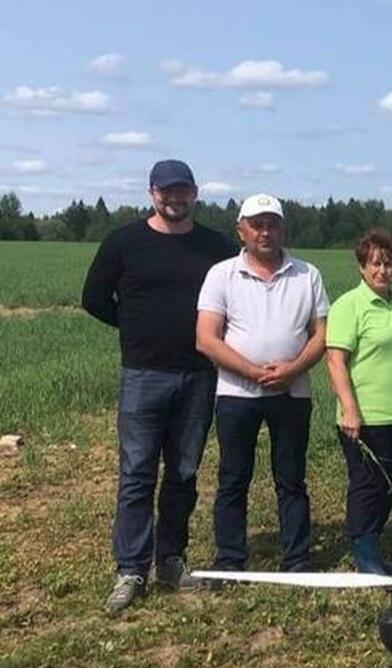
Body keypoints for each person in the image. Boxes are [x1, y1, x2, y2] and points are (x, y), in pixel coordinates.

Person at [81, 159, 238, 614]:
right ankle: (131, 569)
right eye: (166, 191)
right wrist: (132, 327)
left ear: (195, 193)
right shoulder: (124, 243)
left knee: (184, 473)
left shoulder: (217, 247)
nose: (175, 198)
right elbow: (93, 299)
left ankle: (170, 559)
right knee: (136, 473)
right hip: (143, 375)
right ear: (152, 193)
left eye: (183, 190)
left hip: (199, 374)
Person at [195, 194, 329, 572]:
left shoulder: (308, 274)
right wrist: (254, 373)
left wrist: (292, 369)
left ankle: (297, 559)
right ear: (241, 230)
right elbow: (206, 338)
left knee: (291, 478)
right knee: (234, 478)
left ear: (284, 229)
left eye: (272, 224)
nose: (265, 231)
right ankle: (231, 559)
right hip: (237, 393)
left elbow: (321, 334)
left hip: (293, 392)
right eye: (257, 224)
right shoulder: (221, 274)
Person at [325, 230, 392, 575]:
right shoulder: (349, 306)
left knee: (389, 484)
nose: (384, 270)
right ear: (362, 267)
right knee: (368, 485)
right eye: (376, 264)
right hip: (365, 415)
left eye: (390, 264)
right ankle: (364, 554)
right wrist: (350, 410)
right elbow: (336, 360)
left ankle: (374, 548)